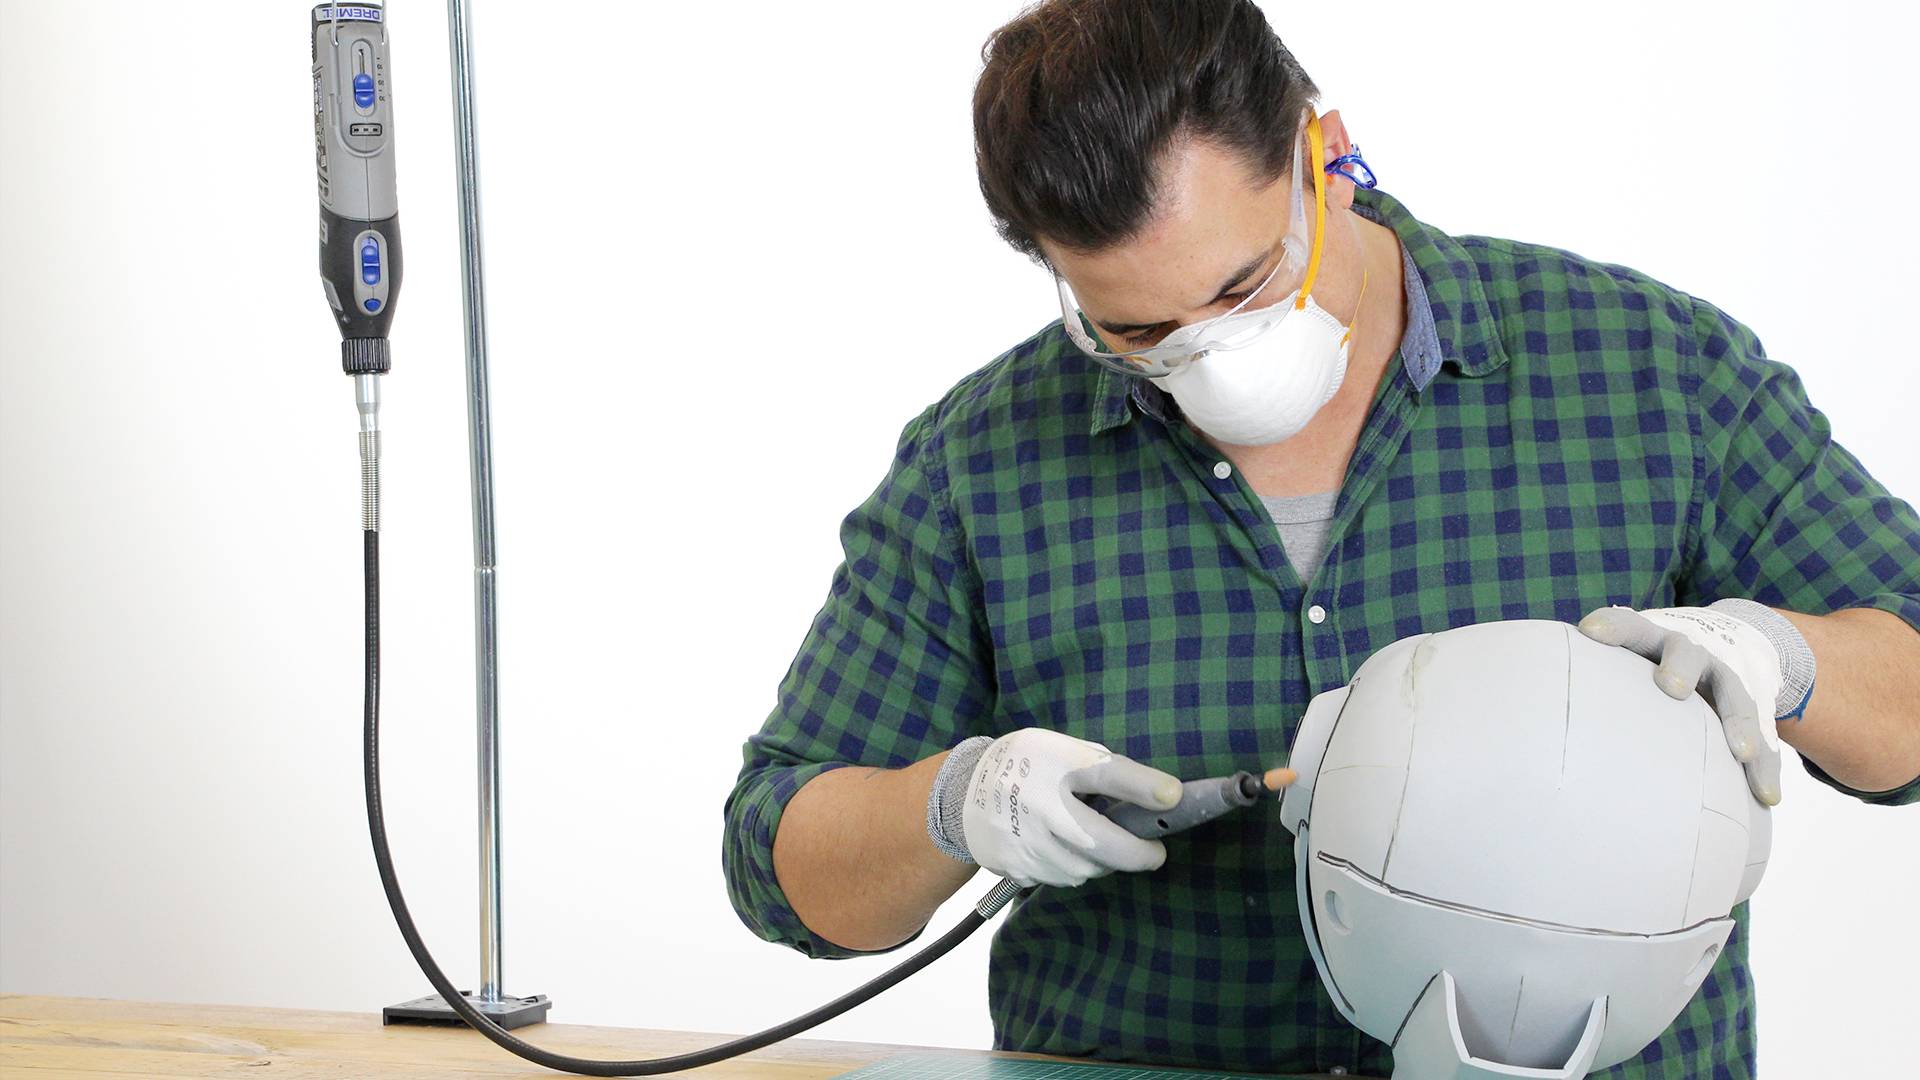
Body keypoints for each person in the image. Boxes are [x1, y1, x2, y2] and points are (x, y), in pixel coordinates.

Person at [722, 2, 1920, 1076]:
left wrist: (1784, 657)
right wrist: (953, 805)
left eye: (1244, 288)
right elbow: (783, 871)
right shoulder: (977, 464)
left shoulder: (1649, 370)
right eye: (1136, 327)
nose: (1210, 356)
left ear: (1325, 152)